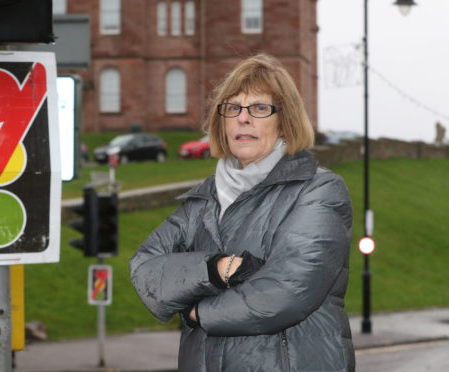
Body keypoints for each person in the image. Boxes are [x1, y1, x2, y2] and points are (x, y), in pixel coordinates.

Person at [129, 53, 355, 371]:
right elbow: (146, 269)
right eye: (233, 107)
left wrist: (196, 312)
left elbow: (284, 294)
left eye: (259, 108)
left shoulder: (318, 190)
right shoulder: (203, 199)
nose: (243, 118)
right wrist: (217, 270)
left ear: (285, 121)